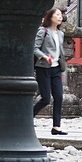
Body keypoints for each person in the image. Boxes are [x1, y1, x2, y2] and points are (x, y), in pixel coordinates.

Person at [33, 7, 67, 135]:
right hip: (43, 67)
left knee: (59, 97)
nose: (60, 17)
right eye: (57, 15)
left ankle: (56, 126)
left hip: (57, 68)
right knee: (46, 98)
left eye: (61, 15)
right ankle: (29, 116)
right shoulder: (43, 31)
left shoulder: (61, 33)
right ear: (50, 17)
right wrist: (45, 56)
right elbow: (35, 48)